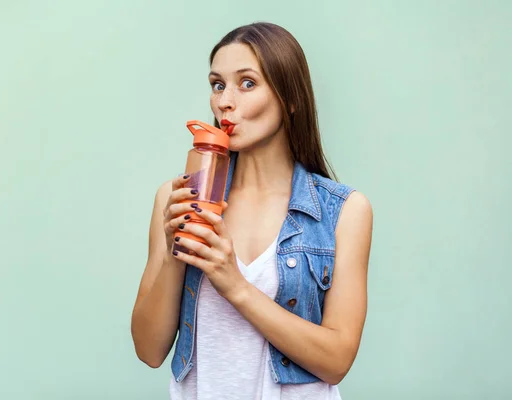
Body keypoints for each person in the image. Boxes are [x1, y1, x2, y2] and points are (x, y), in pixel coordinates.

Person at [131, 22, 373, 400]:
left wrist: (236, 286)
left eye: (247, 83)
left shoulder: (344, 211)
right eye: (217, 84)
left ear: (290, 97)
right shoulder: (175, 197)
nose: (225, 100)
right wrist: (175, 252)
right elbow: (148, 350)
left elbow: (336, 360)